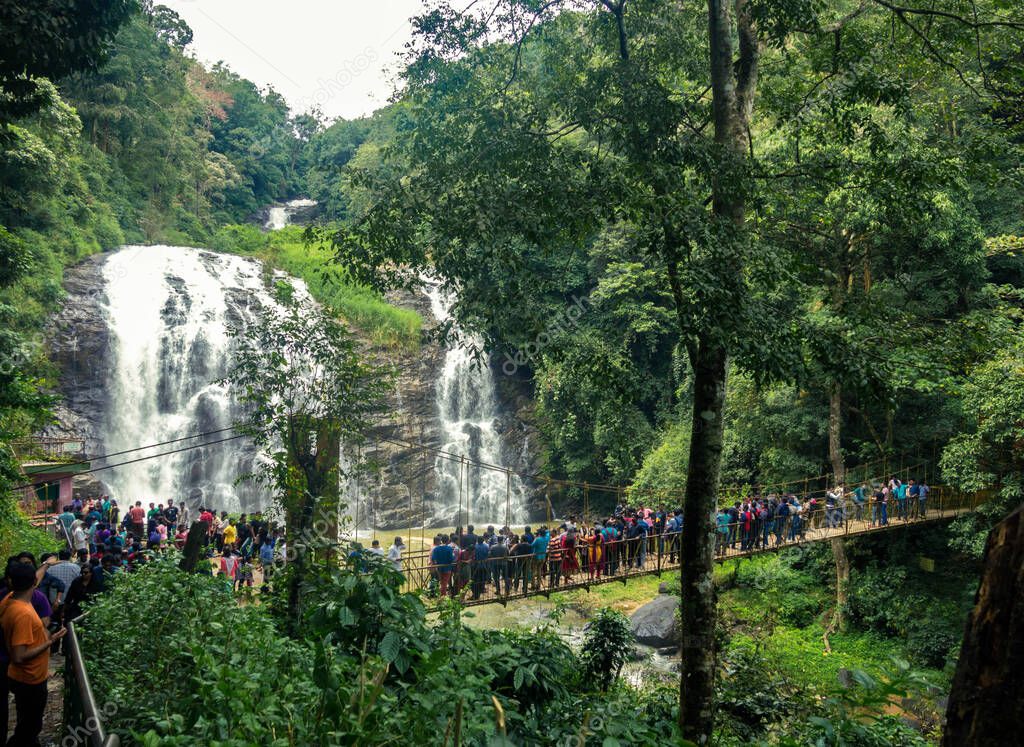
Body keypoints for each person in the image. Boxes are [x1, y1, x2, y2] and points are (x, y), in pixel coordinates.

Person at [0, 563, 66, 746]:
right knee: (29, 726)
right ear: (34, 582)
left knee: (27, 721)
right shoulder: (23, 614)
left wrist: (45, 565)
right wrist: (49, 641)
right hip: (29, 678)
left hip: (21, 677)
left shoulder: (9, 598)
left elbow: (30, 582)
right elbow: (19, 656)